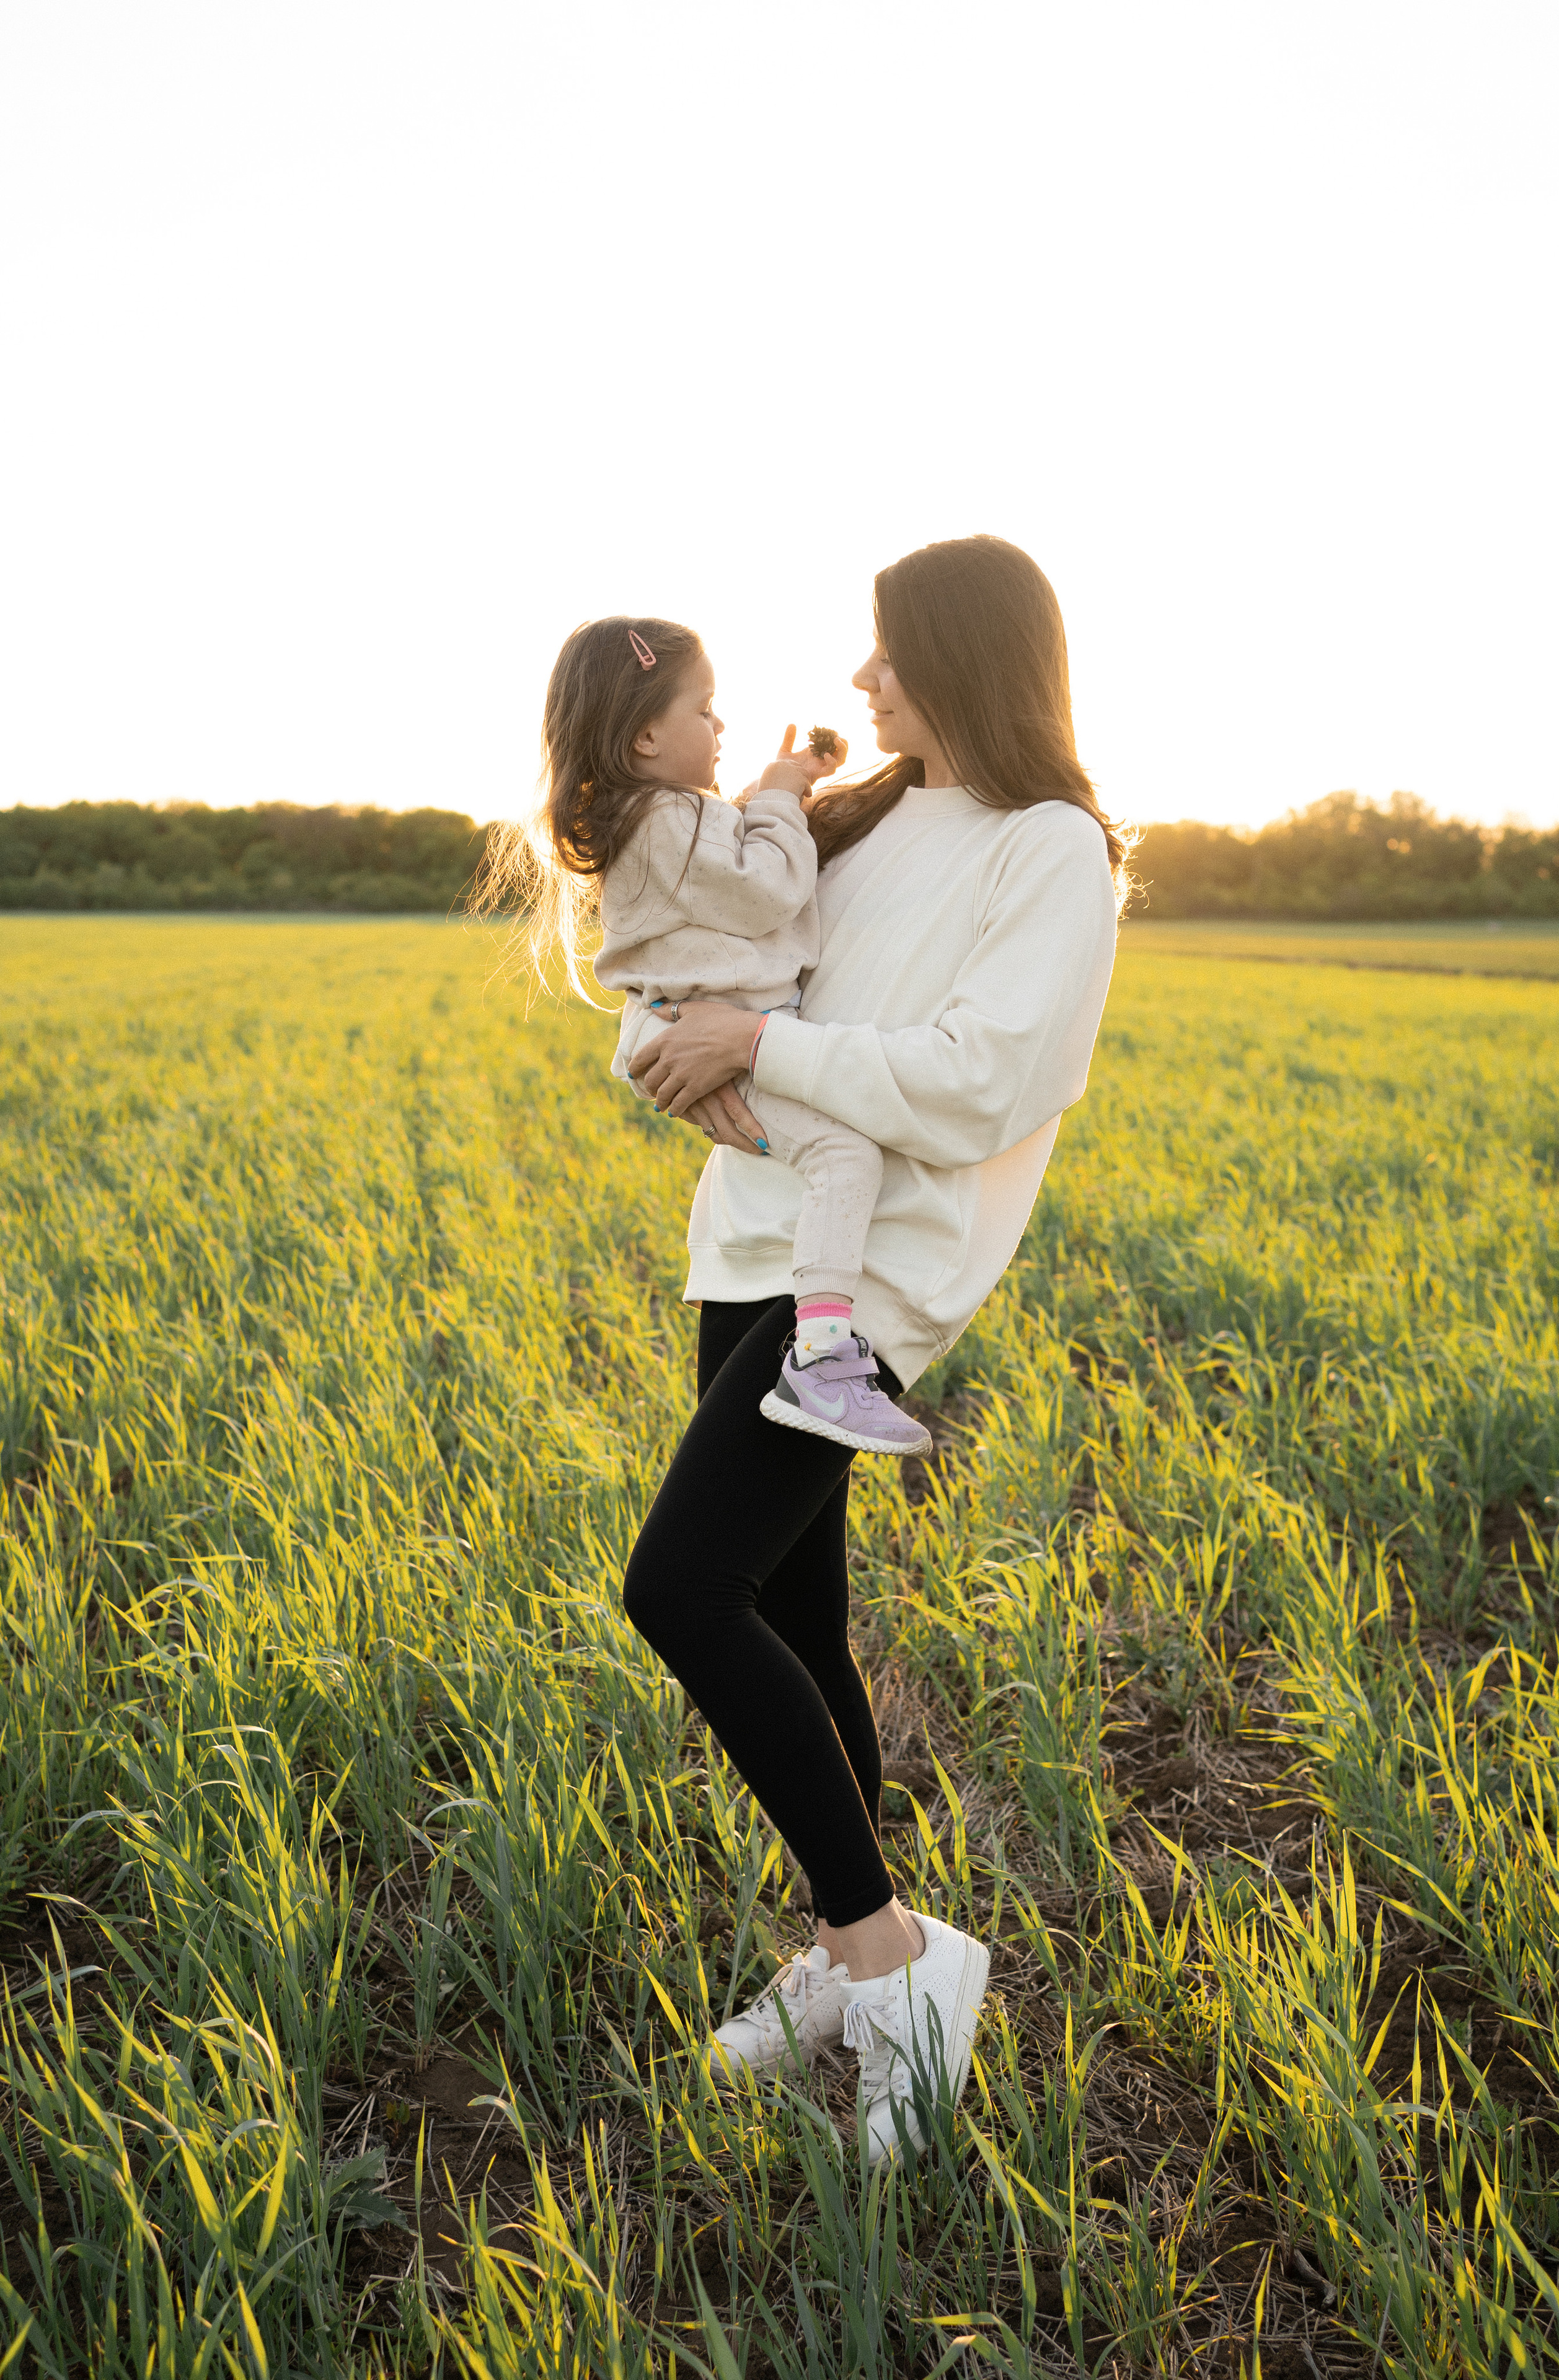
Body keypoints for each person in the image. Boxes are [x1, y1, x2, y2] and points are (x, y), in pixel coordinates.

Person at [618, 535, 1129, 2164]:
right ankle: (859, 1956)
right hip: (746, 1235)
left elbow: (986, 1077)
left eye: (889, 651)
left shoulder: (1053, 848)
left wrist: (759, 1042)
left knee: (680, 1591)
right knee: (792, 1609)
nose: (862, 679)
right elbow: (728, 964)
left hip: (869, 1278)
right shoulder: (869, 818)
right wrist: (682, 1027)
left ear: (964, 657)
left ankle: (893, 1962)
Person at [501, 612, 933, 1458]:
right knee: (846, 1157)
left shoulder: (653, 819)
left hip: (689, 1031)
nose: (720, 725)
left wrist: (783, 783)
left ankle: (817, 1345)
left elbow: (729, 867)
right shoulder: (665, 818)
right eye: (704, 709)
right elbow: (768, 888)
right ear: (644, 736)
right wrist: (778, 797)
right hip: (723, 1034)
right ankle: (821, 1357)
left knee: (831, 1158)